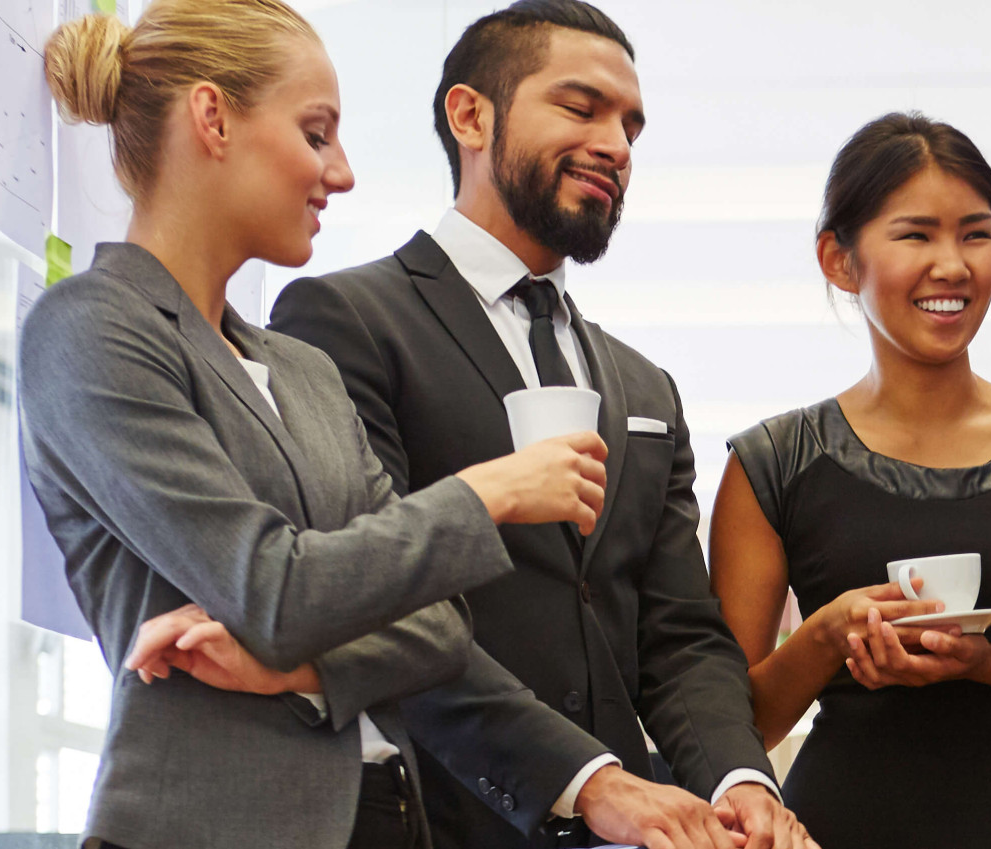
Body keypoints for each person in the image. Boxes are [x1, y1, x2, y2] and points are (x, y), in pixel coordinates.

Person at [23, 2, 610, 847]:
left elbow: (440, 628)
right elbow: (271, 587)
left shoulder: (304, 370)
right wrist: (485, 494)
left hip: (382, 819)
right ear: (213, 118)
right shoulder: (90, 329)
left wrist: (298, 666)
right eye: (317, 133)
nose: (342, 173)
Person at [266, 3, 812, 848]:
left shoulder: (645, 386)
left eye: (631, 126)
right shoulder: (343, 321)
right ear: (470, 114)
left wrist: (739, 782)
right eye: (580, 107)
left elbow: (677, 633)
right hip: (419, 820)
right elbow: (373, 602)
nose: (617, 146)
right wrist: (581, 779)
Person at [708, 112, 991, 849]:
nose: (954, 264)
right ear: (839, 258)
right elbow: (728, 730)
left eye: (977, 232)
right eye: (916, 234)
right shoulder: (772, 462)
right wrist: (827, 635)